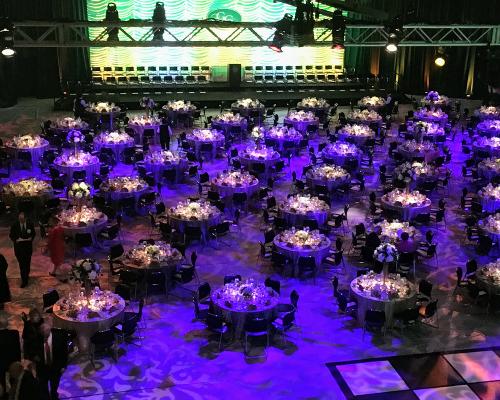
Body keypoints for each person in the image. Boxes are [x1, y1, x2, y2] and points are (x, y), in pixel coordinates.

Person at [35, 324, 68, 400]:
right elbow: (31, 349)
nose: (44, 336)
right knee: (43, 387)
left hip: (56, 367)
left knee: (55, 385)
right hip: (42, 367)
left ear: (49, 330)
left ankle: (54, 396)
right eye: (42, 333)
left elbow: (64, 352)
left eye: (45, 334)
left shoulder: (59, 338)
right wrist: (34, 356)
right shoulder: (37, 337)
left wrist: (63, 366)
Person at [9, 212, 36, 288]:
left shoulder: (30, 224)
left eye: (22, 219)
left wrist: (31, 238)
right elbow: (11, 235)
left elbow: (33, 233)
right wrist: (15, 240)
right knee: (22, 265)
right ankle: (24, 281)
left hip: (28, 248)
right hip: (19, 249)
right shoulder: (15, 225)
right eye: (20, 219)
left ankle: (26, 276)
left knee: (27, 264)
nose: (21, 221)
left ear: (25, 219)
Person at [0, 314, 21, 398]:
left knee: (1, 382)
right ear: (7, 324)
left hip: (0, 363)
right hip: (12, 362)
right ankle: (14, 396)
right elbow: (17, 349)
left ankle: (3, 396)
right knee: (14, 382)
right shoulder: (14, 333)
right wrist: (18, 362)